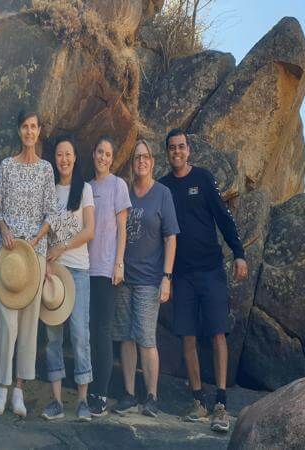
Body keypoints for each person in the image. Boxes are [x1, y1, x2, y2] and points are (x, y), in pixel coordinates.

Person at [159, 129, 248, 433]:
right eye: (172, 148)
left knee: (217, 333)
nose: (177, 152)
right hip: (181, 275)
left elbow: (224, 217)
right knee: (186, 336)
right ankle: (198, 400)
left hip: (210, 270)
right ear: (167, 153)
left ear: (189, 150)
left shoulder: (203, 178)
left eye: (181, 147)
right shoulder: (163, 186)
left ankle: (221, 403)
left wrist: (238, 253)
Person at [0, 111, 58, 417]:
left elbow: (51, 213)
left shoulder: (46, 169)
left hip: (36, 253)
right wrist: (4, 230)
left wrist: (35, 241)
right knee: (6, 323)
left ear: (39, 131)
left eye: (34, 127)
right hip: (8, 254)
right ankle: (1, 387)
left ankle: (19, 388)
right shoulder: (6, 166)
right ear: (19, 131)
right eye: (25, 127)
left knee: (30, 325)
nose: (29, 132)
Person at [111, 140, 178, 418]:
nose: (141, 160)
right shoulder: (125, 193)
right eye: (137, 156)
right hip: (124, 277)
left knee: (146, 339)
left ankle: (152, 396)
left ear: (152, 161)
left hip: (151, 279)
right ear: (133, 162)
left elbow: (171, 237)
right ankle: (128, 393)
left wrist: (167, 277)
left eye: (146, 156)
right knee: (126, 336)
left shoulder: (162, 193)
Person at [40, 136, 95, 422]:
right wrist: (47, 261)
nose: (64, 159)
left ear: (75, 158)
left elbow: (89, 231)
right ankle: (57, 400)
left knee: (79, 334)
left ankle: (83, 400)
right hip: (53, 273)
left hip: (77, 269)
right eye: (59, 154)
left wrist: (61, 247)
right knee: (53, 336)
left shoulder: (83, 190)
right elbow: (43, 233)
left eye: (68, 154)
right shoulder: (49, 192)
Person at [87, 135, 131, 416]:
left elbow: (122, 228)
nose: (103, 157)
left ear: (112, 159)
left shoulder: (118, 185)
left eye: (108, 154)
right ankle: (86, 387)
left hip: (106, 270)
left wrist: (119, 263)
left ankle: (100, 392)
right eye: (99, 152)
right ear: (93, 154)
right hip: (84, 269)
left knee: (102, 331)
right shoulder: (87, 188)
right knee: (87, 331)